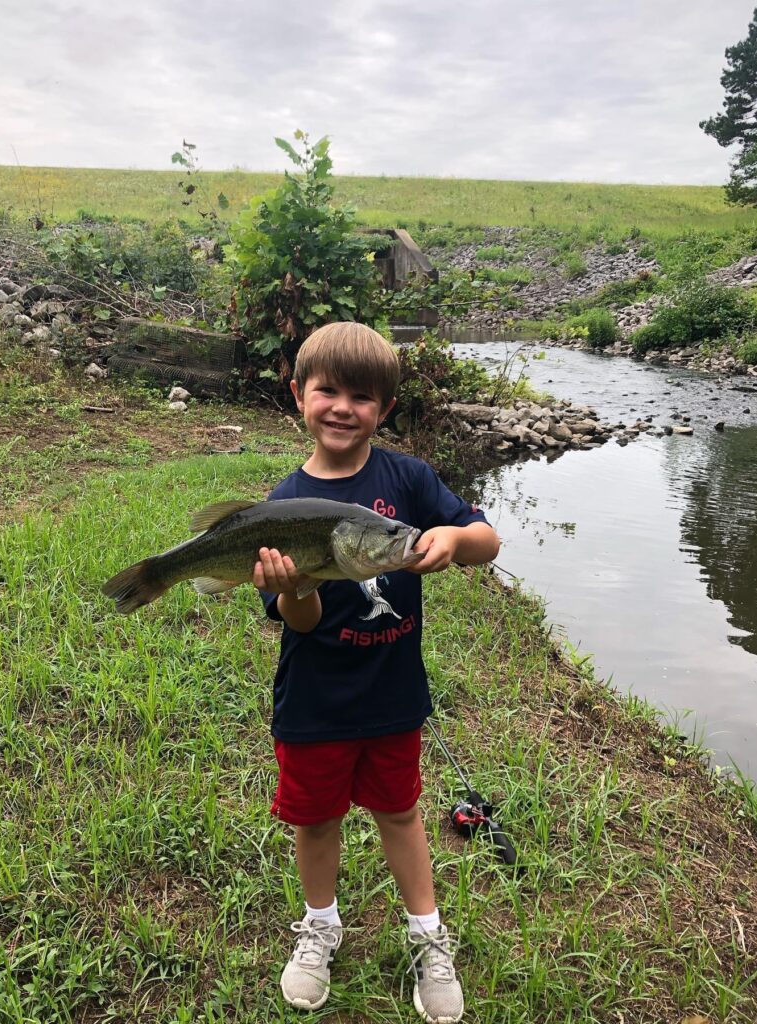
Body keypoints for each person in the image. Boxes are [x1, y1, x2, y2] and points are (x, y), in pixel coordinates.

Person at [251, 322, 500, 1024]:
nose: (341, 407)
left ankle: (427, 937)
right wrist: (295, 588)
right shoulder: (283, 500)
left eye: (361, 396)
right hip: (313, 699)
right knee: (317, 818)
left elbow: (484, 539)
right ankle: (319, 927)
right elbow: (294, 619)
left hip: (393, 694)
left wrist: (450, 535)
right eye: (326, 390)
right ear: (299, 395)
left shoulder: (408, 478)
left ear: (382, 409)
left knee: (399, 812)